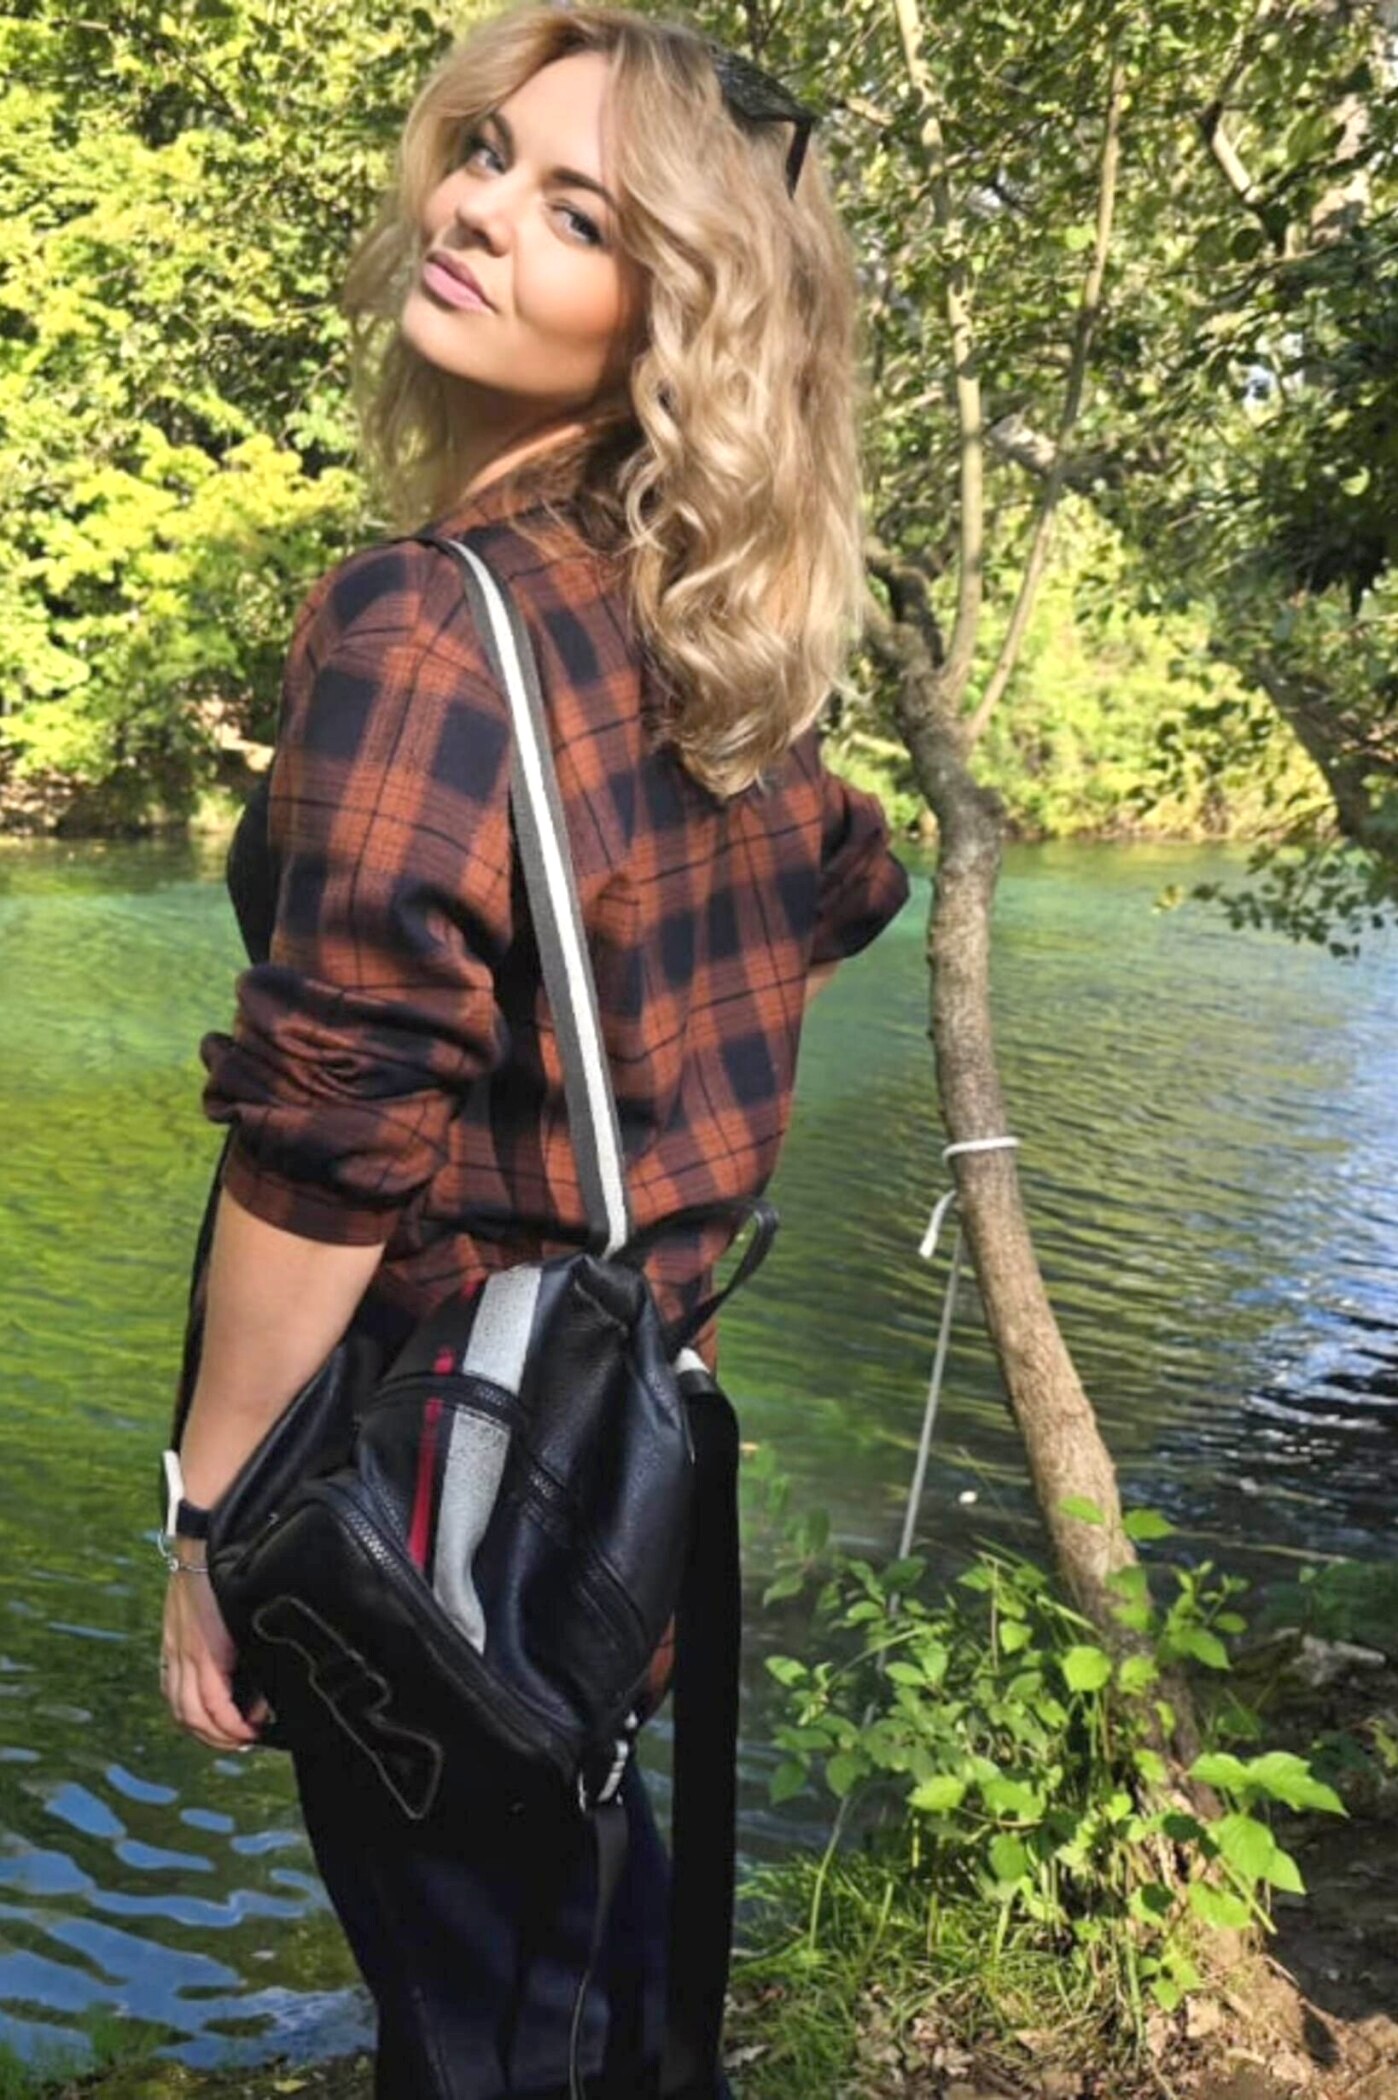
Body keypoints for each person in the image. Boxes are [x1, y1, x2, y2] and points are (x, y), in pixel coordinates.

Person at [158, 4, 910, 2094]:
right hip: (620, 1467)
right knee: (584, 1974)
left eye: (578, 213)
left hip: (432, 1505)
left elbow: (330, 1125)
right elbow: (846, 882)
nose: (479, 210)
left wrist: (210, 1519)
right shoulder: (703, 631)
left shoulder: (428, 619)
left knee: (491, 2027)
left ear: (673, 319)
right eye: (487, 153)